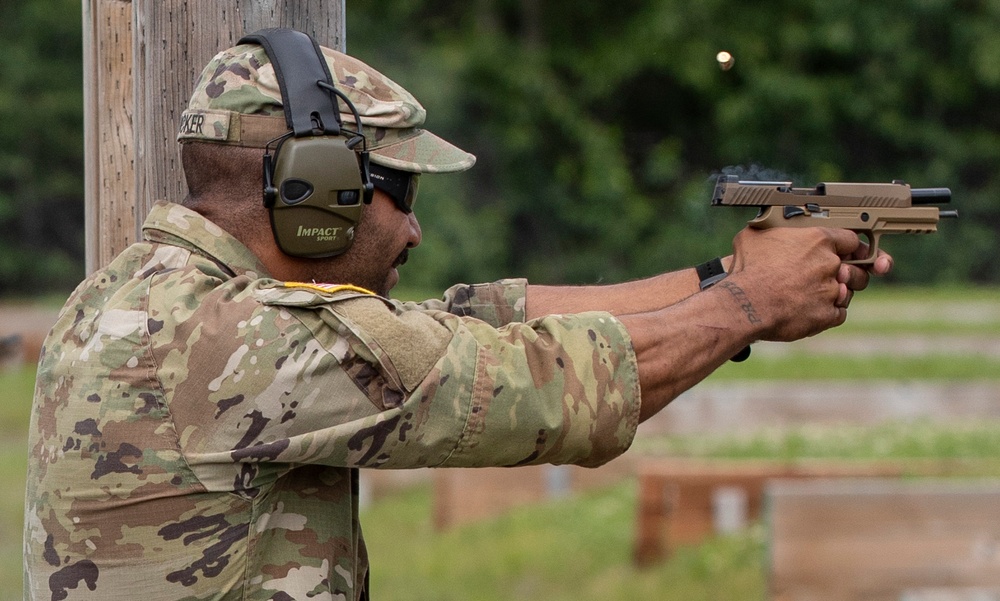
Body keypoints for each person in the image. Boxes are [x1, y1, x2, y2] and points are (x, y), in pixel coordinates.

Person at [23, 29, 890, 601]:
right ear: (315, 188)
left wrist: (724, 279)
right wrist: (748, 303)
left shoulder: (146, 294)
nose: (414, 226)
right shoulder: (237, 341)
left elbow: (461, 325)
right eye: (397, 192)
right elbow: (542, 386)